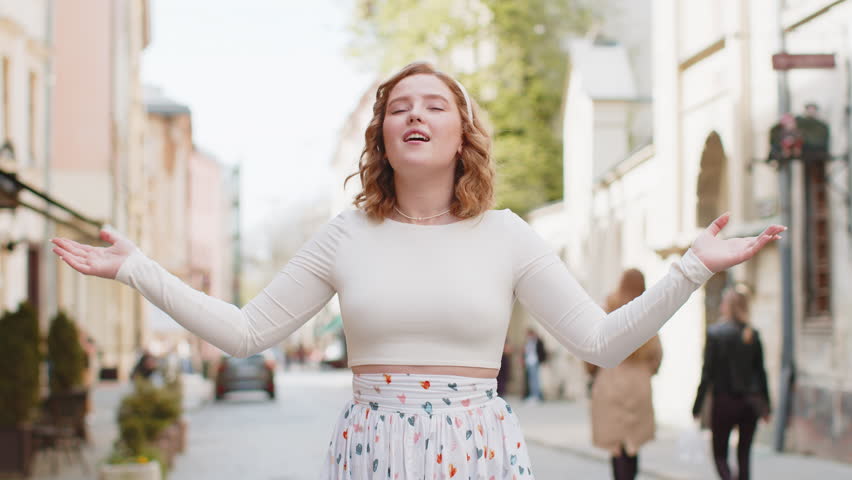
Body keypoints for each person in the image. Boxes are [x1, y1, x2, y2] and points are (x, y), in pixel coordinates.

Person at [51, 61, 785, 479]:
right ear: (383, 137)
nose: (416, 113)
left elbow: (600, 341)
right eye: (399, 106)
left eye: (436, 104)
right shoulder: (345, 235)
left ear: (463, 133)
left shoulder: (506, 235)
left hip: (477, 448)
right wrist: (138, 269)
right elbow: (245, 332)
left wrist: (691, 269)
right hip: (373, 449)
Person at [585, 268, 662, 480]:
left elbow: (590, 350)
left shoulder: (607, 309)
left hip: (610, 383)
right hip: (638, 385)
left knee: (616, 448)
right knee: (633, 445)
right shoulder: (649, 312)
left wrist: (593, 372)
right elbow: (657, 357)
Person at [693, 287, 771, 480]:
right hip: (749, 403)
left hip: (724, 402)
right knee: (744, 455)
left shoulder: (715, 334)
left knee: (720, 454)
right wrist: (767, 406)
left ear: (727, 307)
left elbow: (707, 373)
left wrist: (697, 405)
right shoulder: (752, 334)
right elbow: (761, 373)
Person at [523, 328, 547, 402]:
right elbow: (526, 352)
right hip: (529, 362)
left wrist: (542, 361)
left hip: (535, 362)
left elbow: (542, 351)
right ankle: (532, 394)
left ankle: (536, 395)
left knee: (535, 380)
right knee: (531, 380)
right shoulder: (528, 342)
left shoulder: (538, 341)